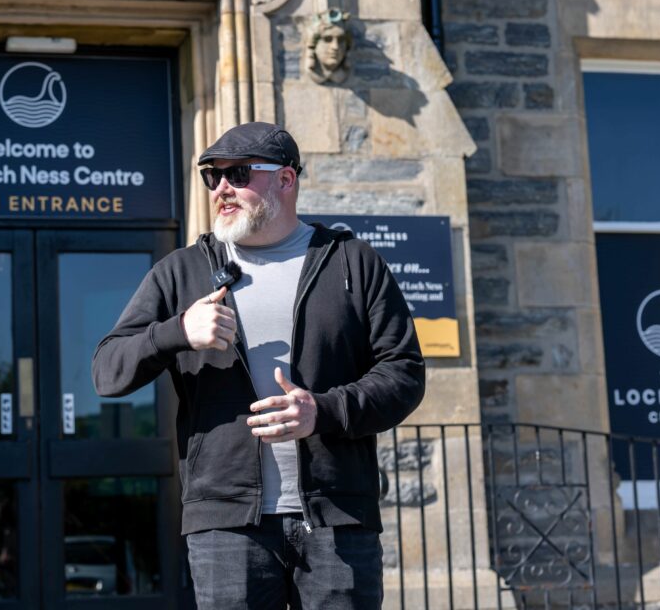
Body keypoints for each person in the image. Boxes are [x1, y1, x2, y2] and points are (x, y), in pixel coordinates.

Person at [92, 122, 425, 609]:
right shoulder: (182, 272)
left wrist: (323, 411)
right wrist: (177, 331)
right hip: (227, 526)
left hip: (336, 520)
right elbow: (107, 370)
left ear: (286, 180)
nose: (221, 188)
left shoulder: (352, 263)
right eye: (212, 176)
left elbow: (404, 373)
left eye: (239, 173)